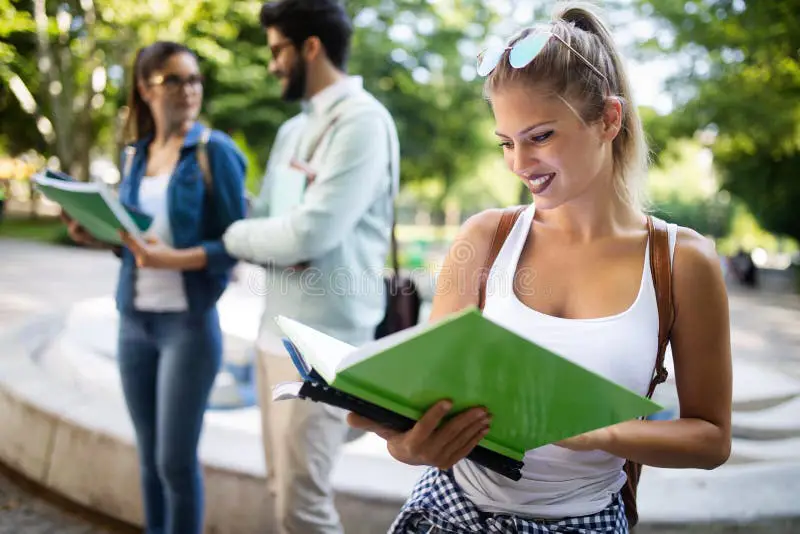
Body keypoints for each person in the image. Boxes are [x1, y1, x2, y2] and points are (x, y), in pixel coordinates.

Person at [347, 4, 732, 533]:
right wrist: (409, 446)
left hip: (586, 522)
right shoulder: (483, 239)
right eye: (506, 142)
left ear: (609, 120)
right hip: (448, 513)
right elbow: (424, 404)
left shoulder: (681, 261)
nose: (519, 164)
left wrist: (599, 432)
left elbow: (711, 439)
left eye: (541, 136)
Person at [221, 0, 400, 532]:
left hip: (324, 347)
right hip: (270, 334)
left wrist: (233, 236)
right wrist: (264, 235)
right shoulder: (292, 131)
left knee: (303, 506)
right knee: (282, 492)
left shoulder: (363, 123)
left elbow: (307, 235)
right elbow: (276, 224)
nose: (272, 63)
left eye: (278, 50)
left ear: (310, 48)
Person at [64, 41, 247, 534]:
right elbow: (133, 243)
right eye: (174, 80)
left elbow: (237, 243)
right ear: (146, 89)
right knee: (147, 461)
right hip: (134, 322)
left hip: (188, 327)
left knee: (174, 462)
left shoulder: (215, 152)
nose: (189, 90)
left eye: (194, 80)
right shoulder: (135, 155)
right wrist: (95, 234)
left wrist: (174, 258)